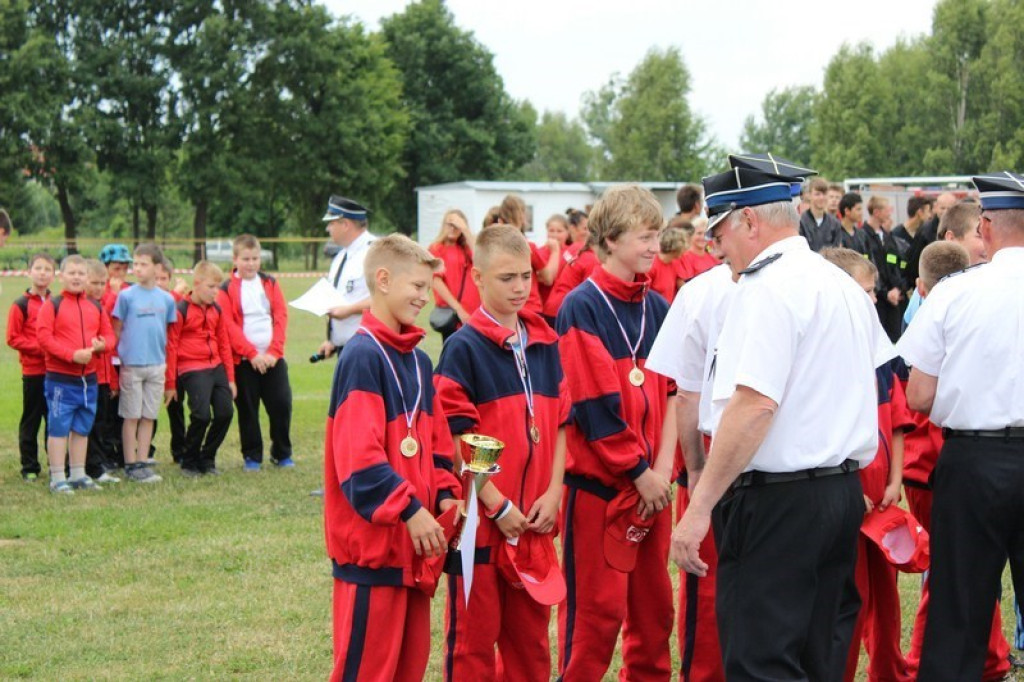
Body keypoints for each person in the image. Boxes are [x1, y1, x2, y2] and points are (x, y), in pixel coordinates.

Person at [673, 164, 893, 681]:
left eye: (719, 230)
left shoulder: (766, 287)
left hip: (778, 501)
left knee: (762, 659)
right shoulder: (839, 283)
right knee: (819, 656)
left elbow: (754, 406)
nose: (715, 246)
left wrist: (699, 506)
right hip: (836, 492)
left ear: (749, 221)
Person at [896, 172, 1024, 681]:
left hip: (973, 459)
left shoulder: (953, 292)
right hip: (980, 455)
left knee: (958, 611)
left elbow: (918, 395)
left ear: (986, 227)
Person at [434, 224, 569, 681]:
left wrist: (554, 493)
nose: (519, 287)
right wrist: (495, 503)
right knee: (473, 646)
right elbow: (459, 437)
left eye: (526, 276)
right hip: (483, 527)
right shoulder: (463, 348)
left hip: (532, 523)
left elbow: (561, 424)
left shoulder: (545, 342)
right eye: (506, 277)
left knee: (531, 647)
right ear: (478, 277)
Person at [324, 234, 462, 682]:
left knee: (408, 668)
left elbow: (438, 447)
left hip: (414, 550)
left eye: (428, 287)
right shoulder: (361, 356)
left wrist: (444, 496)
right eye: (417, 286)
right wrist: (409, 509)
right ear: (382, 280)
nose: (425, 297)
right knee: (368, 672)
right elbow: (358, 460)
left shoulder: (420, 362)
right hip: (374, 553)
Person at [556, 184, 676, 681]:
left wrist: (662, 471)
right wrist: (639, 471)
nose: (654, 246)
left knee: (654, 613)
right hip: (602, 490)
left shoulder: (659, 307)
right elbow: (593, 407)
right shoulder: (580, 306)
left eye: (657, 236)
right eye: (645, 237)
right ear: (609, 240)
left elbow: (674, 393)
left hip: (653, 489)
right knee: (595, 618)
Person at [822, 248, 914, 682]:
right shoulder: (825, 355)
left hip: (881, 496)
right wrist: (847, 489)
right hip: (846, 496)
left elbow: (896, 423)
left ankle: (889, 671)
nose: (873, 300)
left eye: (873, 291)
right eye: (864, 291)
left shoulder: (880, 353)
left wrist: (895, 480)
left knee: (886, 595)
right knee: (848, 597)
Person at [647, 258, 736, 682]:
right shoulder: (819, 279)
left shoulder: (701, 290)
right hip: (785, 464)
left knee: (712, 582)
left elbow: (685, 393)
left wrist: (697, 467)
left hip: (720, 451)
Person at [35, 255, 116, 494]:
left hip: (88, 380)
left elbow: (109, 336)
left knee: (82, 427)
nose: (77, 277)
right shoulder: (53, 305)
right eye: (72, 273)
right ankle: (57, 477)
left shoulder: (95, 306)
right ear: (61, 276)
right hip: (61, 380)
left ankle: (78, 474)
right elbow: (44, 338)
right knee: (59, 428)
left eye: (81, 273)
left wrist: (103, 346)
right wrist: (71, 355)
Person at [218, 234, 293, 472]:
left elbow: (280, 316)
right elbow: (228, 325)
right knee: (248, 409)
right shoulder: (226, 289)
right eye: (246, 259)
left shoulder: (270, 282)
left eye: (255, 258)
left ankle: (281, 453)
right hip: (244, 361)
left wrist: (273, 352)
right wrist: (251, 354)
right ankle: (252, 456)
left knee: (281, 404)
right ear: (235, 260)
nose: (251, 264)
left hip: (272, 359)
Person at [112, 244, 177, 483]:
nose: (137, 269)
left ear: (157, 268)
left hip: (156, 365)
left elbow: (166, 332)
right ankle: (130, 463)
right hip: (132, 365)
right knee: (131, 416)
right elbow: (116, 330)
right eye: (136, 264)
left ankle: (142, 460)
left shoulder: (167, 299)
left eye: (144, 264)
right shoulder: (126, 296)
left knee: (149, 415)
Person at [165, 260, 235, 477]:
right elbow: (171, 347)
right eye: (211, 287)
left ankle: (207, 458)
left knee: (225, 413)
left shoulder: (217, 310)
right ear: (196, 283)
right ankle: (189, 460)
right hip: (192, 368)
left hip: (216, 367)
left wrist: (230, 379)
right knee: (201, 416)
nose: (216, 292)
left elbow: (224, 344)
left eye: (218, 287)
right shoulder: (181, 310)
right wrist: (170, 384)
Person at [7, 252, 55, 481]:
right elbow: (13, 338)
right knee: (32, 419)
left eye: (47, 269)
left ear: (54, 275)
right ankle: (30, 467)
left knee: (54, 420)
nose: (42, 273)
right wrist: (41, 348)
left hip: (56, 372)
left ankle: (55, 463)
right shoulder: (21, 304)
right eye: (38, 268)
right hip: (34, 372)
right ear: (29, 272)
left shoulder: (56, 302)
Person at [903, 200, 988, 327]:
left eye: (989, 235)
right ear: (951, 238)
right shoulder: (932, 288)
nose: (989, 242)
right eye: (980, 236)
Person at [317, 196, 376, 361]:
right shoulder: (341, 256)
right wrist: (333, 340)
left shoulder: (377, 252)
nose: (328, 229)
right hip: (346, 348)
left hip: (369, 348)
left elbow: (389, 298)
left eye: (331, 223)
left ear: (345, 224)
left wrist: (349, 310)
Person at [83, 259, 121, 484]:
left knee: (101, 422)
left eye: (102, 284)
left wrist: (112, 380)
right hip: (88, 376)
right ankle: (83, 465)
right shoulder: (85, 307)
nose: (99, 288)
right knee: (87, 423)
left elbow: (110, 340)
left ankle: (96, 464)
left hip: (104, 376)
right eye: (94, 283)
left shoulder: (98, 306)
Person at [497, 194, 559, 318]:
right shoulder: (527, 247)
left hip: (504, 309)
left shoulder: (495, 248)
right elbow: (547, 278)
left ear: (500, 221)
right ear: (522, 217)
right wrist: (555, 251)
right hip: (530, 307)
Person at [428, 209, 480, 341]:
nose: (453, 228)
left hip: (474, 313)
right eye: (449, 224)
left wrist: (465, 230)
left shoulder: (467, 249)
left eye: (456, 225)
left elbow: (481, 259)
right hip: (452, 313)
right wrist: (459, 309)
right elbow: (436, 281)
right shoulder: (436, 249)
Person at [863, 196, 908, 341]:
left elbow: (894, 265)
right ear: (876, 212)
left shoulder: (887, 236)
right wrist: (884, 293)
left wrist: (897, 288)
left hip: (893, 299)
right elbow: (870, 267)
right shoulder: (863, 235)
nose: (890, 213)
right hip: (877, 298)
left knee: (895, 338)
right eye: (887, 210)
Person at [156, 256, 187, 464]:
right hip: (150, 359)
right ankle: (141, 450)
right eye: (156, 278)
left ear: (169, 279)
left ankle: (180, 449)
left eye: (163, 279)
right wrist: (176, 293)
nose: (159, 283)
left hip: (173, 360)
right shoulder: (145, 299)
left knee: (175, 405)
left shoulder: (177, 303)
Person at [798, 178, 843, 252]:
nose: (821, 197)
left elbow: (837, 251)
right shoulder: (801, 222)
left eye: (824, 194)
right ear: (809, 195)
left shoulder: (835, 223)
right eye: (817, 194)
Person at [676, 217, 720, 283]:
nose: (703, 237)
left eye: (705, 234)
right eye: (699, 233)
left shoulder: (712, 256)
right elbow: (688, 284)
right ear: (690, 235)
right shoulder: (684, 258)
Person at [648, 226, 686, 303]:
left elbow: (682, 287)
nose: (684, 252)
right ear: (675, 249)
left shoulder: (675, 263)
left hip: (670, 306)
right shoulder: (652, 265)